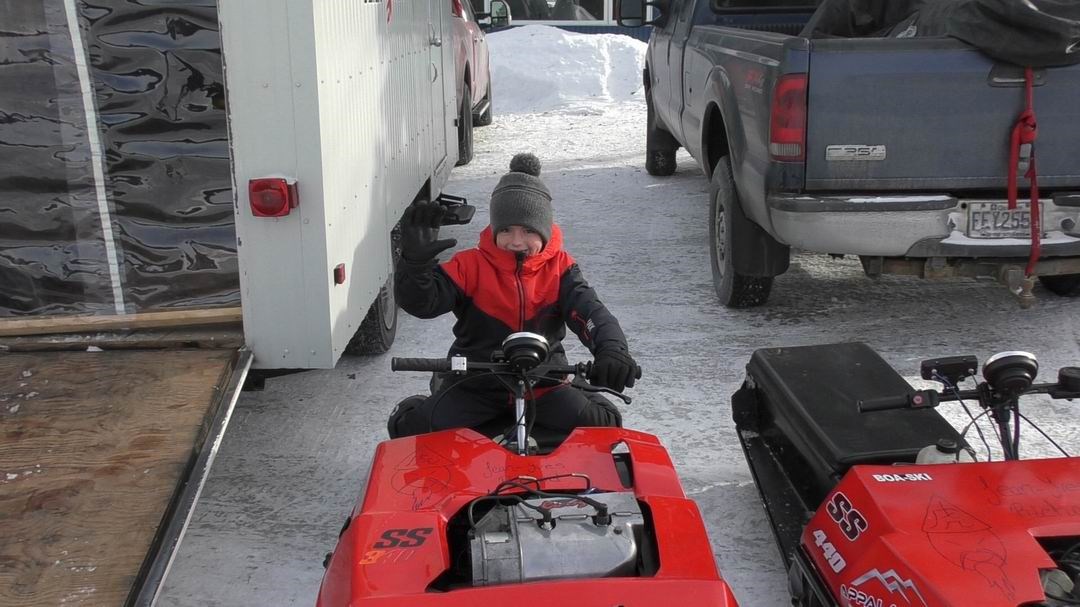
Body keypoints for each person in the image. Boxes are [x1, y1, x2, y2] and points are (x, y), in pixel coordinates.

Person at [388, 153, 639, 439]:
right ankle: (437, 395)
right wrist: (415, 266)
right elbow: (423, 303)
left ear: (544, 231)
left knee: (606, 425)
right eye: (506, 230)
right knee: (410, 430)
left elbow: (592, 313)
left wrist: (612, 350)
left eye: (528, 230)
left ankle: (577, 389)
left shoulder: (561, 270)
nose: (516, 241)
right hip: (477, 384)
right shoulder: (470, 265)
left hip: (542, 384)